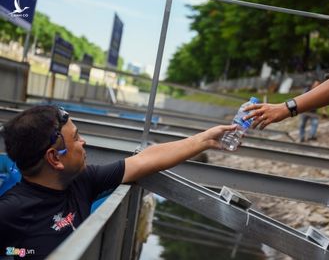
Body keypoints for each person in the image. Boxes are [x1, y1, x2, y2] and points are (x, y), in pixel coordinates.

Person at [0, 105, 235, 259]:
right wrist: (20, 252)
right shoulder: (10, 210)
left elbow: (143, 161)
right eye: (76, 137)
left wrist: (204, 139)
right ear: (54, 158)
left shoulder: (82, 182)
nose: (84, 142)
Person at [243, 63, 329, 129]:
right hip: (307, 108)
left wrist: (286, 108)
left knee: (312, 124)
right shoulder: (308, 88)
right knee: (304, 124)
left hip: (309, 109)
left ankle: (309, 136)